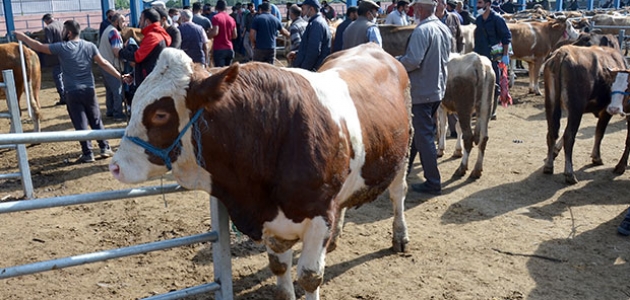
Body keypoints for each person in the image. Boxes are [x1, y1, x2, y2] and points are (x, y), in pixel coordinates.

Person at [15, 21, 125, 163]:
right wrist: (120, 76)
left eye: (63, 31)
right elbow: (103, 63)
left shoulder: (62, 48)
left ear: (69, 33)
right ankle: (104, 147)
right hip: (89, 90)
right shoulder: (89, 46)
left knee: (80, 122)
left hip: (72, 92)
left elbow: (39, 47)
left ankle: (88, 153)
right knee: (96, 119)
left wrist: (23, 37)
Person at [397, 0, 451, 195]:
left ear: (419, 9)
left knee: (424, 135)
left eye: (414, 9)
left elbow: (413, 61)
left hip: (422, 92)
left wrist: (395, 62)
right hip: (436, 89)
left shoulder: (422, 31)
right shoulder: (442, 28)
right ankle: (409, 168)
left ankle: (433, 182)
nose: (413, 12)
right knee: (421, 132)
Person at [119, 8, 171, 106]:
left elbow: (138, 57)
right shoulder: (160, 34)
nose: (139, 22)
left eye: (141, 19)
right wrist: (133, 75)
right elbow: (148, 60)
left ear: (147, 21)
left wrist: (121, 52)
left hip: (150, 83)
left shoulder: (153, 37)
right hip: (154, 79)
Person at [474, 0, 511, 120]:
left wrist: (505, 55)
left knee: (494, 85)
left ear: (488, 4)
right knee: (479, 83)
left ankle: (492, 111)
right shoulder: (478, 20)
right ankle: (479, 109)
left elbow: (506, 38)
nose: (478, 6)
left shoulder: (497, 19)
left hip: (493, 58)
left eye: (480, 3)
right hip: (480, 57)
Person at [437, 0, 462, 138]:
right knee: (438, 97)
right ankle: (439, 129)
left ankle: (454, 129)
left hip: (452, 61)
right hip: (436, 62)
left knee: (452, 95)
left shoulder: (454, 18)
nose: (439, 4)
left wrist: (459, 56)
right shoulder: (431, 20)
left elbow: (460, 38)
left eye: (441, 2)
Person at [98, 13, 126, 121]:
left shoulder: (108, 30)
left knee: (109, 89)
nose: (124, 24)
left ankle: (110, 110)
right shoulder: (114, 33)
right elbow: (116, 51)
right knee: (117, 90)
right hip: (112, 65)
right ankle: (118, 113)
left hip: (104, 64)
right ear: (116, 22)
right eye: (122, 21)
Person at [290, 0, 331, 70]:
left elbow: (313, 51)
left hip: (313, 69)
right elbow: (309, 47)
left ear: (311, 9)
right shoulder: (316, 22)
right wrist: (298, 53)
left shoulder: (316, 24)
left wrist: (305, 69)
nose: (302, 12)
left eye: (303, 9)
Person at [41, 13, 66, 106]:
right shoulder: (62, 24)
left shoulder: (48, 28)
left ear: (46, 21)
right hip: (66, 53)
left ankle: (63, 96)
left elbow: (48, 43)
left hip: (56, 56)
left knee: (57, 75)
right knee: (66, 74)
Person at [210, 0, 238, 67]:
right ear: (225, 8)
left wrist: (207, 34)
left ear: (216, 7)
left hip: (219, 49)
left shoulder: (216, 18)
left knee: (220, 74)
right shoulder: (231, 19)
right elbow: (235, 35)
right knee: (228, 73)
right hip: (230, 49)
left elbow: (215, 32)